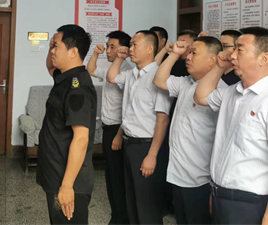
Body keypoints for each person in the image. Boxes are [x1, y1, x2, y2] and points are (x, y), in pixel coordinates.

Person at [194, 27, 268, 225]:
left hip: (250, 204)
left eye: (240, 50)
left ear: (263, 58)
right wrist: (218, 67)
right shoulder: (232, 92)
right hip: (221, 197)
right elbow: (201, 96)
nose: (232, 55)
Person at [153, 37, 225, 224]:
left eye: (194, 53)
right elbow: (159, 80)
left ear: (212, 60)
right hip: (178, 173)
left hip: (200, 179)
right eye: (189, 52)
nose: (188, 57)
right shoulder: (186, 82)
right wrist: (174, 54)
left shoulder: (220, 93)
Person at [106, 30, 171, 225]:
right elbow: (111, 77)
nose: (130, 48)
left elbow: (162, 120)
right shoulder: (131, 74)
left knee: (147, 205)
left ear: (150, 49)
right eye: (130, 44)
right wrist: (120, 57)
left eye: (135, 45)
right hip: (129, 143)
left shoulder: (157, 76)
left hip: (146, 146)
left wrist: (152, 155)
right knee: (132, 201)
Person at [38, 25, 97, 224]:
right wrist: (51, 45)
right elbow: (50, 67)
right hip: (56, 173)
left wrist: (67, 186)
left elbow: (81, 139)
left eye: (56, 46)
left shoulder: (77, 87)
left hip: (69, 181)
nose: (53, 51)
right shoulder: (66, 77)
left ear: (73, 52)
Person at [87, 30, 133, 225]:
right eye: (107, 47)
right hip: (108, 128)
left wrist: (119, 135)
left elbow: (129, 108)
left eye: (112, 47)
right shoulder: (111, 69)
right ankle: (117, 215)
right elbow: (90, 70)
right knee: (111, 176)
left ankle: (121, 218)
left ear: (124, 49)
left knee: (117, 177)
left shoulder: (128, 72)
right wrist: (95, 53)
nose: (107, 50)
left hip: (117, 131)